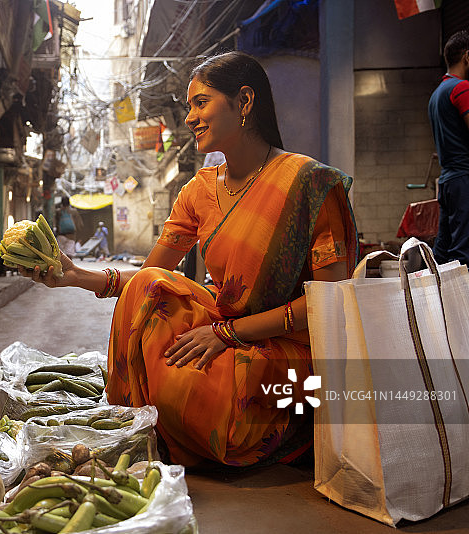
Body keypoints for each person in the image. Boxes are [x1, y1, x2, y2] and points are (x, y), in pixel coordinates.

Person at [22, 51, 358, 467]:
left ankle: (242, 426)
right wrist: (73, 275)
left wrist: (226, 335)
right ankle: (151, 423)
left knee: (200, 389)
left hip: (286, 353)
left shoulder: (310, 183)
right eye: (189, 107)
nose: (190, 118)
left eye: (201, 103)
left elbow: (329, 303)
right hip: (227, 329)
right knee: (150, 295)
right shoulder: (198, 191)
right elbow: (151, 277)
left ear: (245, 103)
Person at [428, 30, 469, 266]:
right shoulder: (461, 88)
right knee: (463, 254)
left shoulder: (436, 94)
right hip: (463, 179)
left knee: (442, 253)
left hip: (447, 182)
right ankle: (461, 304)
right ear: (467, 57)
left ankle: (437, 303)